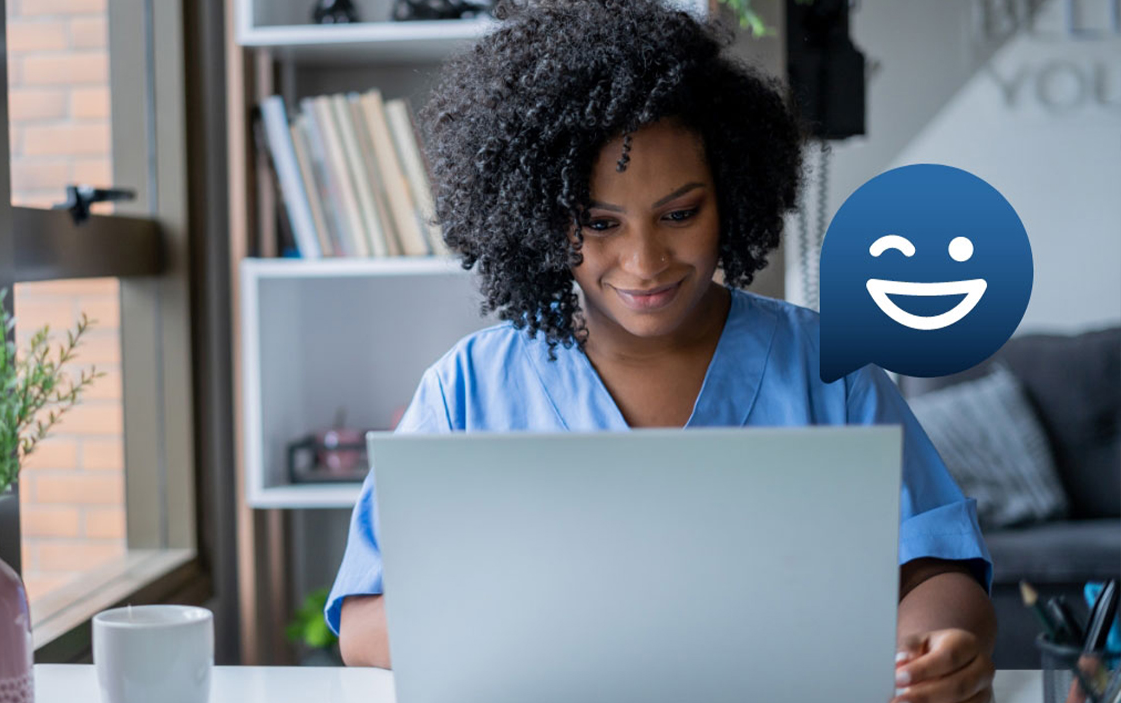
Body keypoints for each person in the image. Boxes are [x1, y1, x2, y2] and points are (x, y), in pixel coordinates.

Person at [326, 1, 997, 701]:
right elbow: (364, 618)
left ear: (733, 197)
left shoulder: (832, 371)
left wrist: (935, 648)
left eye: (679, 214)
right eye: (598, 222)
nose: (644, 260)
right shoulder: (466, 388)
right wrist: (541, 628)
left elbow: (937, 569)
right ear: (537, 216)